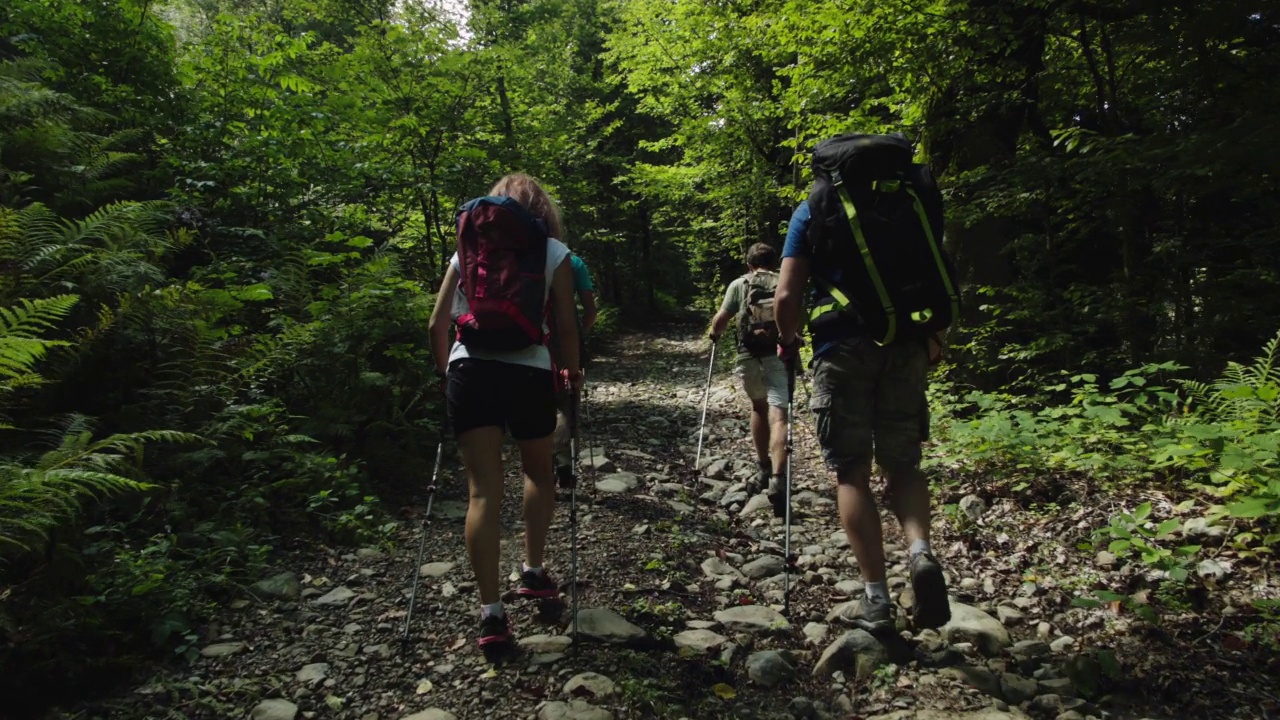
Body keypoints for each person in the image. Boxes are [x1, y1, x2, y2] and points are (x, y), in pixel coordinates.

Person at [774, 200, 950, 633]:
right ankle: (920, 552)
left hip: (842, 348)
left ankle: (876, 597)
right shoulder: (909, 200)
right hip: (908, 344)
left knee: (852, 473)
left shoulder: (814, 209)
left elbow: (786, 294)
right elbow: (939, 276)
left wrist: (788, 338)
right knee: (905, 465)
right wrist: (937, 339)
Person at [428, 173, 582, 650]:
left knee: (481, 494)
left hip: (469, 372)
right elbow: (565, 323)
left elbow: (437, 322)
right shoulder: (552, 253)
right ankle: (533, 570)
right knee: (537, 473)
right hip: (529, 373)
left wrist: (446, 374)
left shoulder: (468, 250)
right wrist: (572, 372)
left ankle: (491, 614)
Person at [707, 242, 789, 517]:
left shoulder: (739, 284)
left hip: (749, 354)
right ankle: (779, 477)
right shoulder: (783, 281)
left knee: (758, 407)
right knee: (779, 416)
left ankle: (763, 465)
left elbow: (722, 319)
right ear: (774, 261)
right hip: (778, 354)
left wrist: (714, 334)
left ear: (749, 264)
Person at [550, 251, 597, 488]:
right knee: (567, 401)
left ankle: (541, 464)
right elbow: (590, 311)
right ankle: (564, 463)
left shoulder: (515, 255)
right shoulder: (573, 261)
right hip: (564, 339)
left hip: (529, 341)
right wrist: (579, 338)